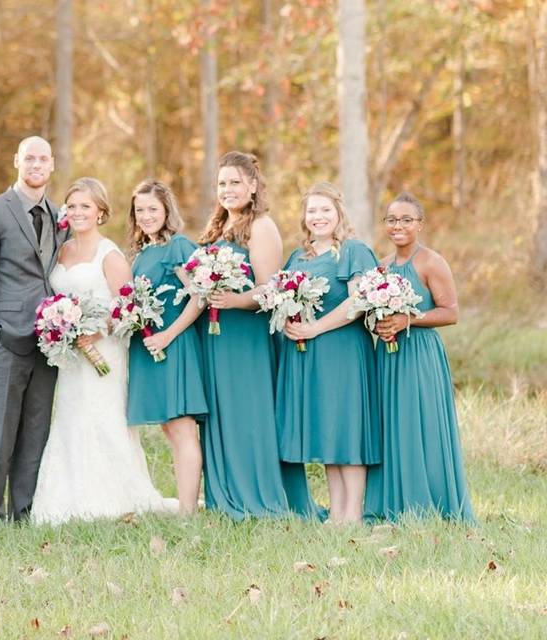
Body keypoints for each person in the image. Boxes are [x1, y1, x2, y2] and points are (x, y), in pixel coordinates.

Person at [31, 178, 178, 524]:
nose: (78, 212)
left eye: (86, 206)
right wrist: (60, 328)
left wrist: (96, 330)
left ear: (100, 212)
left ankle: (111, 499)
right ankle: (62, 501)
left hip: (104, 354)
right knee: (69, 418)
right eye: (73, 206)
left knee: (102, 419)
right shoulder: (62, 250)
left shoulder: (109, 254)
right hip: (71, 358)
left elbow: (130, 308)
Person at [198, 152, 320, 519]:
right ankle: (226, 495)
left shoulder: (261, 227)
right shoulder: (216, 228)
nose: (228, 189)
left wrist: (234, 300)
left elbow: (271, 291)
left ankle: (257, 496)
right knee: (220, 415)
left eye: (235, 182)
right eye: (222, 183)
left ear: (253, 186)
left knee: (247, 415)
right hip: (215, 337)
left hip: (246, 339)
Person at [0, 136, 68, 521]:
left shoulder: (61, 216)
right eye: (29, 158)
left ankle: (22, 510)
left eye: (43, 158)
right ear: (16, 162)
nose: (36, 164)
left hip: (50, 342)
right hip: (4, 339)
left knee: (36, 429)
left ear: (52, 164)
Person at [364, 193, 475, 522]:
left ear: (420, 224)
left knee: (420, 424)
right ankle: (392, 503)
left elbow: (451, 312)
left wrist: (408, 319)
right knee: (392, 424)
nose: (398, 226)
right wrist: (381, 324)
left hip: (420, 353)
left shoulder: (431, 262)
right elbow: (372, 312)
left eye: (406, 220)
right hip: (388, 354)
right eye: (392, 220)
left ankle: (429, 502)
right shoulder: (381, 266)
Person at [276, 182, 380, 524]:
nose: (318, 217)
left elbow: (358, 302)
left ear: (339, 213)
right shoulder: (298, 257)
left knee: (347, 430)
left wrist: (315, 328)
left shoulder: (353, 251)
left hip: (343, 352)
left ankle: (353, 514)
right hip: (309, 354)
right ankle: (337, 514)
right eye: (312, 211)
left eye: (325, 210)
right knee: (329, 432)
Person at [124, 180, 207, 515]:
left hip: (174, 345)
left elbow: (199, 296)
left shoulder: (178, 246)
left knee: (182, 427)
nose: (146, 216)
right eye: (140, 210)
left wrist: (168, 335)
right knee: (168, 428)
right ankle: (188, 504)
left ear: (167, 211)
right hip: (150, 347)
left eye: (152, 209)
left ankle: (188, 512)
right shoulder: (141, 254)